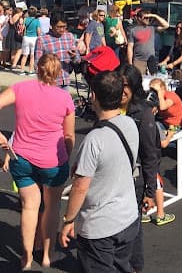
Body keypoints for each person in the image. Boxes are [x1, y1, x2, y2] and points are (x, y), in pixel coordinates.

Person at [0, 53, 76, 270]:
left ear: (37, 68)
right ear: (58, 73)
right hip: (53, 161)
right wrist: (67, 155)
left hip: (22, 156)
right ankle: (47, 254)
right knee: (52, 207)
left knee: (29, 207)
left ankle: (26, 257)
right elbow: (69, 136)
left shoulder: (21, 88)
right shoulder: (65, 98)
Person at [59, 71, 140, 272]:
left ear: (93, 96)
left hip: (100, 226)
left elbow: (79, 187)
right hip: (127, 217)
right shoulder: (129, 124)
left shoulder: (94, 139)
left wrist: (69, 220)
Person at [116, 64, 159, 273]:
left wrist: (150, 192)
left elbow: (151, 155)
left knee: (133, 228)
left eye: (126, 86)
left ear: (134, 87)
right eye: (118, 85)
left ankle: (134, 267)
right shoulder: (109, 107)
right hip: (111, 179)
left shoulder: (143, 113)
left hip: (134, 181)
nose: (122, 90)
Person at [147, 78, 182, 226]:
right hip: (164, 125)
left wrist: (159, 93)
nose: (153, 93)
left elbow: (162, 106)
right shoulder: (159, 98)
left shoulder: (171, 96)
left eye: (155, 90)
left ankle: (165, 141)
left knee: (155, 128)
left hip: (175, 125)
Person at [34, 19, 80, 90]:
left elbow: (77, 59)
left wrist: (74, 56)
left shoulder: (69, 37)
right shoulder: (42, 39)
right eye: (59, 27)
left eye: (64, 27)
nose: (62, 29)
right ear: (51, 26)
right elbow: (37, 63)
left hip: (65, 80)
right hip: (50, 82)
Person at [127, 9, 169, 75]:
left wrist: (154, 15)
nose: (148, 19)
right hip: (139, 61)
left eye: (149, 18)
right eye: (145, 18)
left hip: (151, 60)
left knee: (153, 80)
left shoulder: (152, 28)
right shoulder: (133, 30)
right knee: (138, 81)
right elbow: (130, 47)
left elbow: (166, 25)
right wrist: (130, 63)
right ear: (139, 18)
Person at [20, 7, 41, 75]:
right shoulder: (37, 21)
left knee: (25, 55)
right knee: (32, 55)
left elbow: (22, 28)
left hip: (26, 37)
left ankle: (22, 70)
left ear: (28, 13)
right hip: (34, 38)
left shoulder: (25, 19)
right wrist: (39, 37)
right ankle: (30, 71)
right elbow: (38, 31)